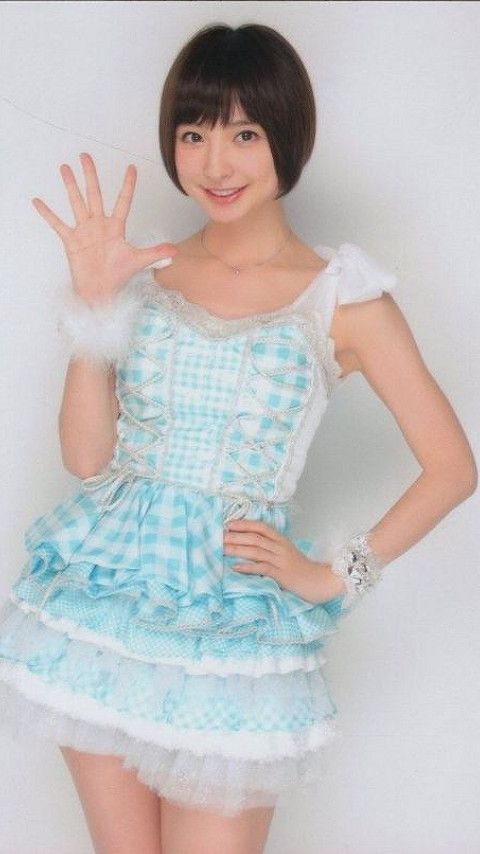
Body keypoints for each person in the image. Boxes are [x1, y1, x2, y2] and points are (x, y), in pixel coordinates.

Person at [0, 21, 477, 854]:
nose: (216, 163)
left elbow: (452, 467)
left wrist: (332, 575)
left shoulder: (344, 299)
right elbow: (86, 459)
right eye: (194, 134)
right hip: (107, 608)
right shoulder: (145, 275)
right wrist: (94, 308)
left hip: (232, 627)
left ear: (287, 136)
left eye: (244, 133)